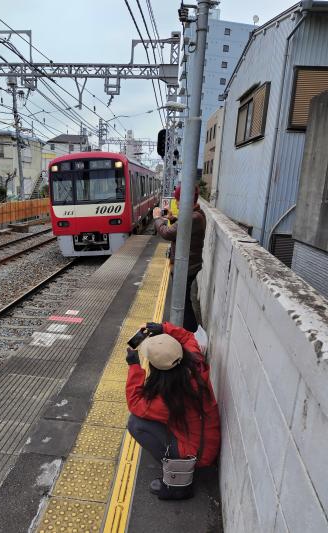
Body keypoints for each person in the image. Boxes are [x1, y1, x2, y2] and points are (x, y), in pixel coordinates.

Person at [126, 321, 220, 500]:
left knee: (136, 423)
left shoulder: (171, 398)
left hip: (197, 455)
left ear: (157, 368)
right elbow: (188, 337)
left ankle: (177, 484)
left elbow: (135, 402)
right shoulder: (194, 361)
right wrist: (164, 329)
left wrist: (134, 367)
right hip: (206, 440)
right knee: (146, 418)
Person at [153, 185, 206, 332]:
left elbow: (167, 233)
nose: (176, 203)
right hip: (191, 264)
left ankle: (190, 332)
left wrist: (158, 218)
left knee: (183, 302)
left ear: (185, 200)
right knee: (185, 300)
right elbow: (183, 229)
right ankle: (189, 331)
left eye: (177, 200)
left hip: (186, 268)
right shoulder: (198, 213)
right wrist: (172, 218)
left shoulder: (191, 217)